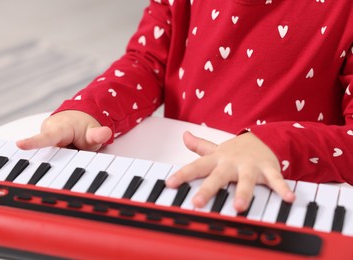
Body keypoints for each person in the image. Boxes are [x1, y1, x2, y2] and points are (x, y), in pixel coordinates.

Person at [17, 0, 353, 213]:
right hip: (182, 184)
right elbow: (147, 62)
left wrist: (274, 145)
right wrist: (90, 110)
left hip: (284, 199)